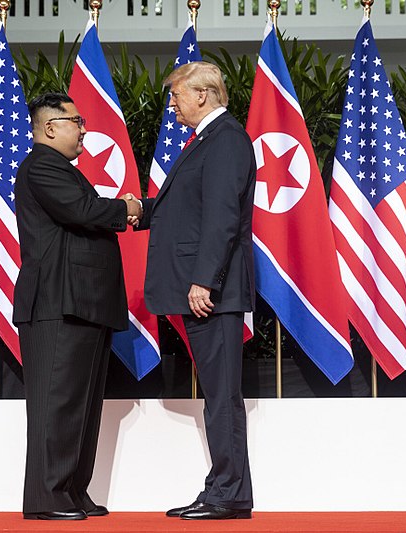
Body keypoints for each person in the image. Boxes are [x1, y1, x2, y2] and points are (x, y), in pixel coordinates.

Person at [134, 61, 256, 520]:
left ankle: (226, 493)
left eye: (176, 95)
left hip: (212, 293)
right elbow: (186, 208)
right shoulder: (208, 139)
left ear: (202, 94)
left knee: (221, 396)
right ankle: (229, 490)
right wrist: (137, 210)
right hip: (204, 289)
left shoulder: (225, 139)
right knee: (218, 394)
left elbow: (222, 217)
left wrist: (204, 279)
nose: (172, 104)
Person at [13, 92, 143, 521]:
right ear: (50, 128)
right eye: (76, 121)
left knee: (81, 405)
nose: (84, 128)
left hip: (82, 302)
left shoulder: (60, 169)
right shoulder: (42, 166)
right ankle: (48, 498)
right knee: (57, 403)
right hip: (58, 302)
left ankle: (71, 491)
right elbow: (82, 210)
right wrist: (125, 207)